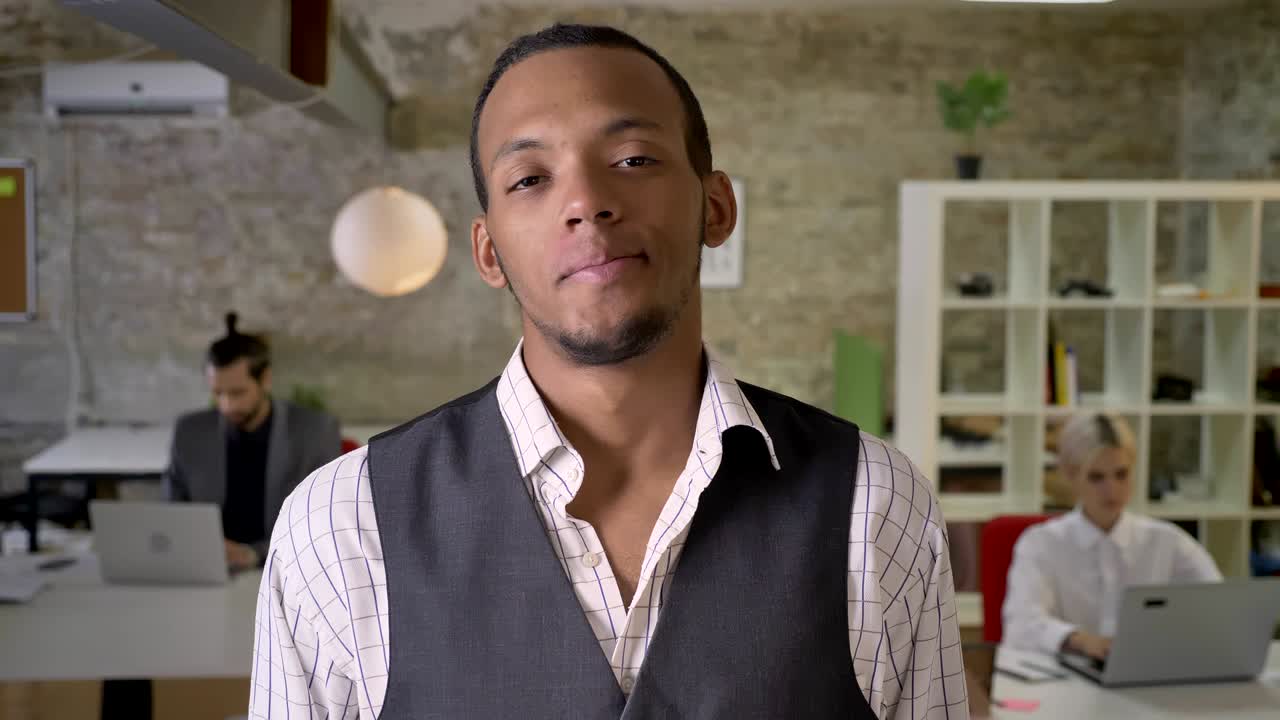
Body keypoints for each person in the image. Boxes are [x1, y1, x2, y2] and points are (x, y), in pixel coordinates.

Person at [249, 24, 967, 719]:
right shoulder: (340, 525)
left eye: (632, 160)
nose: (586, 203)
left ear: (715, 207)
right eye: (530, 178)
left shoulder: (876, 507)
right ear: (489, 252)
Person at [1002, 413, 1222, 660]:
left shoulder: (1167, 542)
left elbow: (1220, 607)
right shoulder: (1040, 544)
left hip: (1149, 676)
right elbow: (1021, 625)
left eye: (1121, 474)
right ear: (1071, 476)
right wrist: (1082, 641)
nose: (1112, 490)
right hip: (1068, 681)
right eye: (1096, 477)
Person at [164, 312, 341, 570]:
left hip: (284, 569)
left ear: (265, 380)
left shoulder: (314, 431)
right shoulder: (190, 432)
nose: (226, 405)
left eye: (237, 393)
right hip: (206, 569)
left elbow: (324, 523)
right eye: (218, 393)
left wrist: (254, 554)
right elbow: (172, 514)